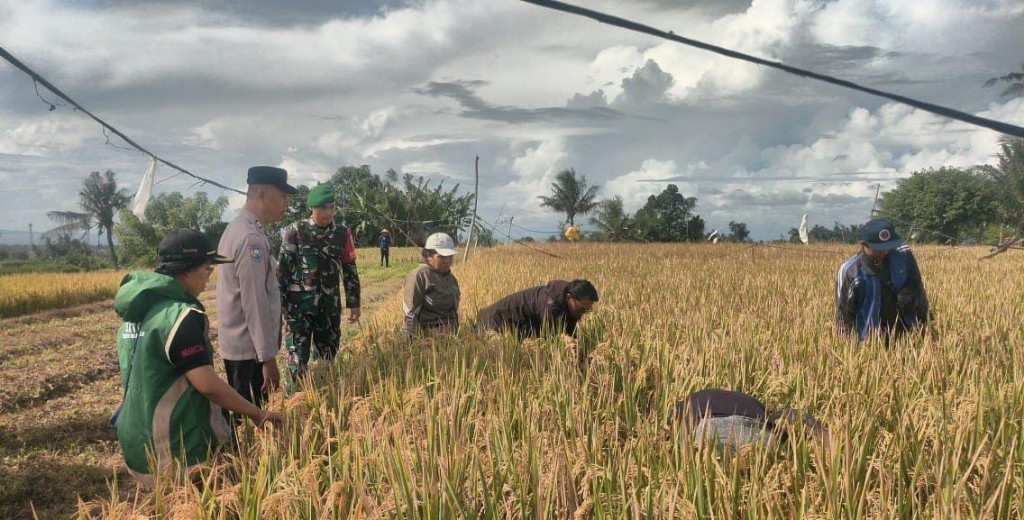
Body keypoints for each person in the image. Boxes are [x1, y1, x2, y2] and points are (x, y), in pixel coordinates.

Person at [113, 229, 283, 485]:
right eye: (207, 269)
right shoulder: (182, 316)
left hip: (137, 444)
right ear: (186, 270)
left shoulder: (137, 313)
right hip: (173, 449)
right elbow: (207, 385)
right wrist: (257, 413)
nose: (208, 277)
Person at [216, 166, 296, 408]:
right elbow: (254, 301)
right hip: (249, 353)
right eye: (282, 197)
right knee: (251, 418)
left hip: (242, 347)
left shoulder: (238, 228)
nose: (286, 204)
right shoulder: (250, 239)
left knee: (246, 414)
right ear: (262, 195)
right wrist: (267, 359)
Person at [278, 184, 360, 380]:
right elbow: (282, 271)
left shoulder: (342, 234)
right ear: (311, 208)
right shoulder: (296, 231)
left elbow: (349, 269)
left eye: (332, 207)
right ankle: (296, 395)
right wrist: (280, 305)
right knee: (297, 360)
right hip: (299, 309)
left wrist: (354, 302)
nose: (329, 212)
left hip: (329, 307)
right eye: (323, 208)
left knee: (327, 359)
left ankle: (324, 392)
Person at [836, 219, 930, 341]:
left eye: (888, 246)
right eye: (878, 249)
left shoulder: (903, 255)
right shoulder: (850, 271)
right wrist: (847, 343)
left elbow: (916, 286)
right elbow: (843, 313)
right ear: (863, 243)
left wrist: (925, 322)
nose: (884, 252)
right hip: (871, 339)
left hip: (906, 332)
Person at [674, 389, 827, 453]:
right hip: (759, 430)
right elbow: (777, 423)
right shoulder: (751, 402)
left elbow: (674, 433)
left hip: (713, 428)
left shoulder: (684, 404)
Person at [476, 279, 598, 339]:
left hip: (517, 326)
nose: (583, 313)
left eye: (587, 310)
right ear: (569, 297)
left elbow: (569, 334)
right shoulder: (549, 308)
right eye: (582, 309)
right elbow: (552, 341)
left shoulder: (572, 305)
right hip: (493, 322)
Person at [403, 232, 460, 336]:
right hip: (430, 338)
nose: (447, 261)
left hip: (452, 336)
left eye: (450, 256)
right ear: (429, 256)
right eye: (442, 256)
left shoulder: (451, 279)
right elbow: (410, 316)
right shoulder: (420, 276)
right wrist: (414, 343)